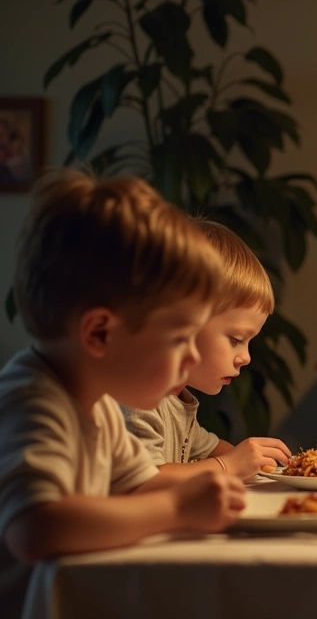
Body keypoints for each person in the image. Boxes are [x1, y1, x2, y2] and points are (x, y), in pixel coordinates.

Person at [0, 171, 246, 610]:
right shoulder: (35, 401)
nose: (190, 359)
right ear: (100, 334)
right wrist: (176, 510)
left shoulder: (99, 406)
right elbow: (36, 528)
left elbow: (139, 487)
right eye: (178, 340)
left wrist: (202, 496)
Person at [123, 221, 292, 480]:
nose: (246, 357)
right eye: (235, 339)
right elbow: (146, 479)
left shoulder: (177, 399)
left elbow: (211, 448)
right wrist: (229, 465)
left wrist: (256, 459)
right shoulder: (138, 395)